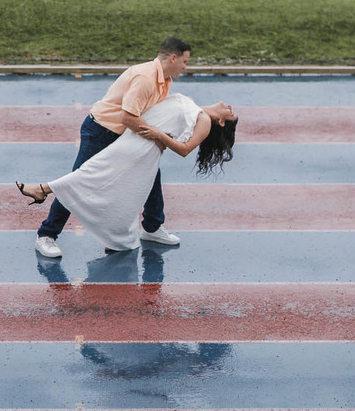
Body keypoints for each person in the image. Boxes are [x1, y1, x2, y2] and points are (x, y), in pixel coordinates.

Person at [22, 37, 192, 259]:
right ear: (173, 58)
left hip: (125, 135)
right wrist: (157, 137)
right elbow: (128, 117)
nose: (186, 67)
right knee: (78, 181)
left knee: (151, 175)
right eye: (185, 61)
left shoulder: (164, 79)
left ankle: (152, 228)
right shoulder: (146, 78)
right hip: (101, 132)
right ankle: (46, 235)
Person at [17, 92, 237, 253]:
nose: (229, 106)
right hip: (134, 138)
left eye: (231, 113)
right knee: (119, 180)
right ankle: (138, 230)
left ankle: (42, 190)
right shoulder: (193, 104)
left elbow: (185, 149)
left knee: (96, 173)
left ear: (221, 121)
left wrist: (159, 135)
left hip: (141, 145)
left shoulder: (205, 121)